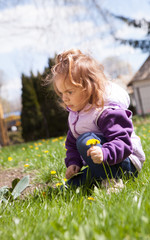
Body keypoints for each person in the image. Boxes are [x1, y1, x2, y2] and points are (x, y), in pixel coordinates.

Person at [48, 48, 145, 188]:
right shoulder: (78, 115)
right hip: (101, 163)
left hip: (126, 163)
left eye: (69, 91)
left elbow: (123, 142)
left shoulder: (106, 111)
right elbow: (71, 144)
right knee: (70, 186)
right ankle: (102, 177)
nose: (65, 98)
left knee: (85, 140)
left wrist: (105, 153)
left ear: (89, 87)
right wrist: (74, 163)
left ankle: (113, 181)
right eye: (61, 93)